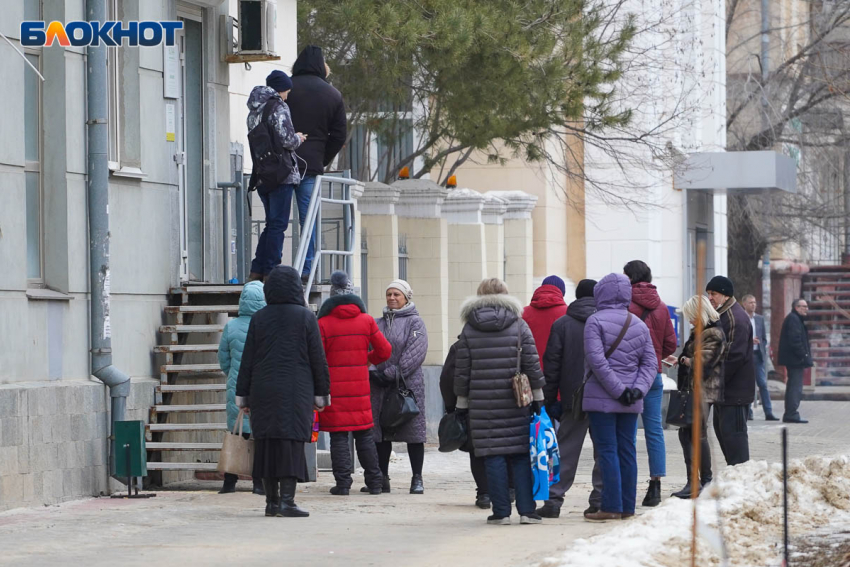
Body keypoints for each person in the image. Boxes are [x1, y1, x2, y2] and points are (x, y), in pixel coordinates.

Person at [235, 266, 330, 517]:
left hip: (263, 389)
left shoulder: (259, 317)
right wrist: (322, 393)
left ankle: (271, 503)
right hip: (296, 390)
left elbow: (248, 359)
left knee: (266, 444)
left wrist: (243, 394)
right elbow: (317, 359)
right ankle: (287, 502)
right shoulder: (305, 317)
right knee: (290, 443)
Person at [453, 278, 545, 525]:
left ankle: (501, 512)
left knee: (492, 457)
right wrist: (538, 398)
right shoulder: (519, 325)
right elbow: (532, 365)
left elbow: (462, 371)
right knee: (520, 456)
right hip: (516, 402)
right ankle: (527, 511)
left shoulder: (469, 329)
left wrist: (461, 404)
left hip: (482, 405)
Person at [582, 274, 657, 522]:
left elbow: (597, 362)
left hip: (601, 397)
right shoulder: (639, 324)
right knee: (628, 451)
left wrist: (618, 390)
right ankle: (627, 506)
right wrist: (636, 390)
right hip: (631, 399)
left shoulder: (594, 321)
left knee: (607, 451)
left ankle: (611, 505)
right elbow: (650, 363)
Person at [318, 271, 393, 495]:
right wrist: (367, 360)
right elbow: (385, 351)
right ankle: (375, 483)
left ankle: (342, 484)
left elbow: (317, 358)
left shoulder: (323, 323)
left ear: (331, 297)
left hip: (334, 390)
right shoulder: (366, 320)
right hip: (360, 388)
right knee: (364, 435)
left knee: (338, 436)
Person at [538, 279, 604, 519]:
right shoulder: (607, 322)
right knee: (603, 450)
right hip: (605, 397)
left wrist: (548, 400)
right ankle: (599, 499)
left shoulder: (563, 323)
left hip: (572, 399)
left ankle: (553, 501)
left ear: (576, 295)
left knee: (564, 451)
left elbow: (552, 366)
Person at [286, 46, 347, 283]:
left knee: (277, 219)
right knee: (308, 218)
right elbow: (339, 135)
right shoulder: (332, 94)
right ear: (322, 66)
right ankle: (306, 268)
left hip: (281, 164)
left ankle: (270, 267)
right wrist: (321, 158)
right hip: (310, 166)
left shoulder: (285, 89)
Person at [623, 260, 677, 507]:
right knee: (655, 429)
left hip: (629, 376)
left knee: (628, 430)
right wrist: (655, 357)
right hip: (653, 375)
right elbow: (670, 344)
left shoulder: (624, 306)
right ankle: (655, 486)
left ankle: (626, 484)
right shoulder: (662, 307)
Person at [368, 279, 429, 494]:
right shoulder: (377, 323)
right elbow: (368, 349)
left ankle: (417, 479)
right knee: (381, 432)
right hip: (380, 386)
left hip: (407, 386)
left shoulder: (415, 323)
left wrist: (391, 373)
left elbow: (415, 353)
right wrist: (374, 373)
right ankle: (382, 478)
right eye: (389, 294)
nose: (392, 298)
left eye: (397, 294)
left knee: (413, 432)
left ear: (406, 298)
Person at [246, 71, 307, 282]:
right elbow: (287, 140)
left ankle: (257, 269)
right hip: (282, 174)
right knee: (278, 224)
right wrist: (298, 138)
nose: (287, 96)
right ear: (281, 89)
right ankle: (271, 271)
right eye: (287, 92)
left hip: (263, 174)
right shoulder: (278, 106)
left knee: (271, 224)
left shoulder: (254, 109)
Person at [672, 295, 726, 498]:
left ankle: (704, 482)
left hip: (704, 391)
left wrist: (686, 360)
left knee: (697, 434)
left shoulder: (713, 333)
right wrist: (680, 360)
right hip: (693, 390)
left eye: (692, 316)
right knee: (686, 434)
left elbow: (704, 361)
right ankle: (693, 482)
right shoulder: (701, 332)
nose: (690, 320)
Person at [217, 281, 267, 495]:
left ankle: (229, 481)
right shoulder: (266, 325)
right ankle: (258, 483)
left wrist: (233, 375)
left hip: (236, 388)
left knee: (235, 433)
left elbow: (223, 359)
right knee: (258, 436)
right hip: (261, 388)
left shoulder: (231, 326)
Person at [705, 275, 754, 466]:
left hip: (735, 393)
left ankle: (743, 484)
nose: (710, 297)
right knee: (724, 435)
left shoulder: (735, 318)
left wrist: (714, 381)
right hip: (724, 392)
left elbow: (734, 357)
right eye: (708, 293)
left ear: (725, 295)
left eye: (713, 294)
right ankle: (734, 481)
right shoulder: (723, 314)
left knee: (735, 442)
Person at [439, 340, 491, 509]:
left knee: (477, 450)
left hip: (472, 405)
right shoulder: (516, 334)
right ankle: (510, 489)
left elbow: (447, 378)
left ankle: (484, 493)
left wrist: (450, 406)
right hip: (508, 404)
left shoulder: (462, 345)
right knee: (506, 446)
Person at [741, 294, 778, 421]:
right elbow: (738, 338)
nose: (753, 305)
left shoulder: (760, 319)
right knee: (748, 384)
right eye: (750, 302)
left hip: (758, 356)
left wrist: (761, 346)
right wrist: (749, 341)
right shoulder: (741, 318)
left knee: (762, 383)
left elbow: (763, 338)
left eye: (755, 302)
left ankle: (768, 412)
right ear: (744, 304)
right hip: (746, 356)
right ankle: (748, 411)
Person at [778, 298, 813, 424]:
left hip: (794, 359)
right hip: (795, 360)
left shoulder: (795, 319)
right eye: (803, 306)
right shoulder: (793, 319)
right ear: (796, 307)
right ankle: (791, 413)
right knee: (795, 387)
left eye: (807, 307)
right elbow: (795, 340)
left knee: (793, 386)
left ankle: (790, 413)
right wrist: (804, 356)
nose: (806, 309)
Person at [522, 275, 569, 366]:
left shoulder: (524, 312)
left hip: (530, 368)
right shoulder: (568, 312)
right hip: (558, 370)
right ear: (562, 293)